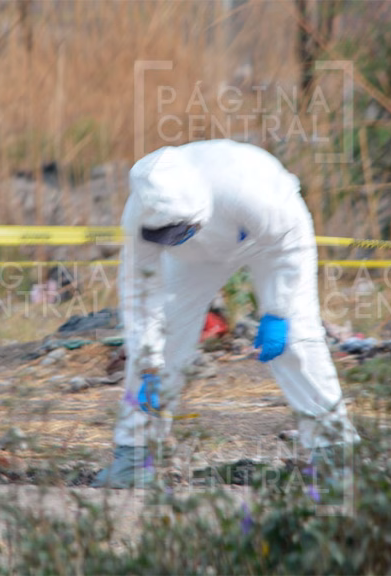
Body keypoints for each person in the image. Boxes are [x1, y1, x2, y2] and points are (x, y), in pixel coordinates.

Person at [92, 139, 360, 488]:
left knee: (298, 339)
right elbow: (140, 296)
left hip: (270, 242)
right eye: (165, 234)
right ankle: (135, 455)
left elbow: (290, 244)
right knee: (164, 341)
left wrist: (278, 311)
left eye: (180, 230)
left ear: (198, 209)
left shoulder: (248, 190)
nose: (172, 239)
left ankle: (333, 455)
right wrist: (148, 364)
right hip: (195, 259)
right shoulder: (141, 217)